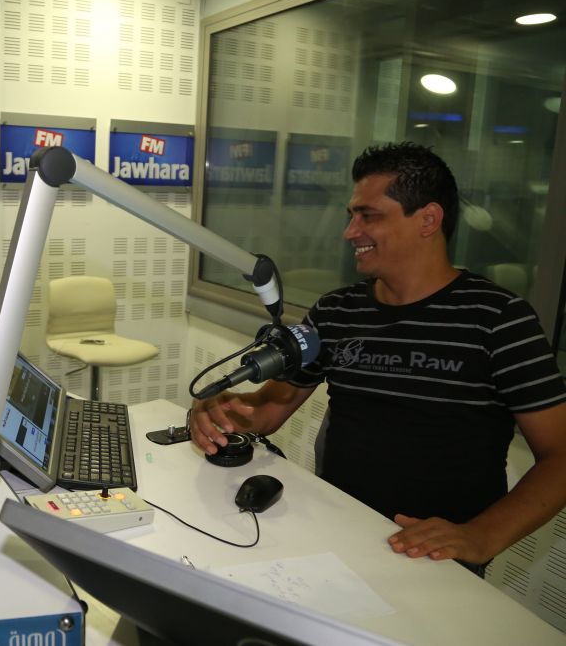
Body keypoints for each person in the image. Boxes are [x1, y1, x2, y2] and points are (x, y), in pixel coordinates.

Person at [191, 142, 566, 573]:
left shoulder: (499, 319)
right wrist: (218, 413)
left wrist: (481, 536)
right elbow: (267, 409)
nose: (350, 232)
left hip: (433, 560)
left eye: (368, 216)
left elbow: (560, 455)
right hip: (337, 535)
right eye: (351, 216)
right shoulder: (337, 311)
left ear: (428, 219)